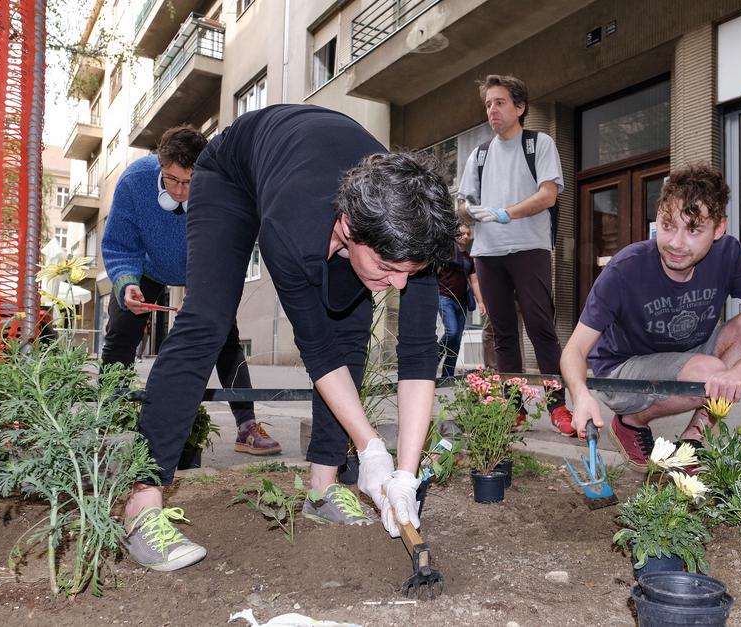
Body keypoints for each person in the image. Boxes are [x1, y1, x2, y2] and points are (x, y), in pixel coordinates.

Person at [121, 104, 458, 572]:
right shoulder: (293, 229)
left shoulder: (412, 233)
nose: (398, 284)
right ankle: (141, 500)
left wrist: (402, 472)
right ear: (346, 229)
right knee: (209, 319)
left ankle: (322, 487)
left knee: (352, 331)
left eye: (409, 273)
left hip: (318, 171)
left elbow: (419, 356)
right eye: (387, 269)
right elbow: (317, 350)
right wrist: (370, 446)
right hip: (234, 176)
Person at [560, 164, 741, 470]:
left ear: (719, 228)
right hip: (621, 372)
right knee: (708, 371)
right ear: (658, 214)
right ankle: (632, 421)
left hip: (687, 355)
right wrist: (580, 395)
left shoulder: (727, 255)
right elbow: (575, 349)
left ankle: (694, 439)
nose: (676, 243)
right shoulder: (625, 269)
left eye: (694, 230)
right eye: (669, 225)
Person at [100, 127, 280, 457]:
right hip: (148, 268)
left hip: (201, 268)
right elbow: (120, 244)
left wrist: (202, 301)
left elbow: (230, 251)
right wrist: (127, 283)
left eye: (189, 181)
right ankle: (108, 417)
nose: (180, 190)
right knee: (121, 326)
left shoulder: (222, 186)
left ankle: (246, 425)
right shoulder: (134, 182)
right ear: (160, 165)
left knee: (223, 334)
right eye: (171, 179)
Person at [456, 74, 575, 435]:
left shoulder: (539, 144)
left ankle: (558, 407)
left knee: (541, 328)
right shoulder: (479, 154)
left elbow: (548, 196)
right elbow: (462, 202)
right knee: (504, 332)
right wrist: (470, 212)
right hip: (488, 251)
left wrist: (507, 212)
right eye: (489, 103)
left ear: (519, 107)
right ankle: (514, 408)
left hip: (529, 248)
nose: (492, 109)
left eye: (500, 102)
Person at [437, 223, 485, 379]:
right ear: (454, 234)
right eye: (462, 233)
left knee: (457, 338)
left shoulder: (469, 259)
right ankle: (433, 360)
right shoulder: (445, 252)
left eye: (467, 234)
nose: (465, 236)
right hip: (444, 297)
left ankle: (447, 375)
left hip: (462, 302)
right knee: (451, 332)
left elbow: (475, 281)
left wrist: (481, 302)